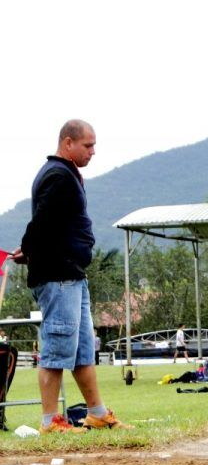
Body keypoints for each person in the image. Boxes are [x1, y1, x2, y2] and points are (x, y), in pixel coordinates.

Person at [10, 119, 131, 433]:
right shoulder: (57, 176)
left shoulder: (65, 175)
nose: (93, 152)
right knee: (56, 345)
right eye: (87, 145)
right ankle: (51, 421)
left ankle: (97, 412)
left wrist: (30, 251)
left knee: (82, 348)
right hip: (57, 276)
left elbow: (53, 224)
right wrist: (29, 249)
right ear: (68, 143)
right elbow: (42, 223)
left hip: (72, 274)